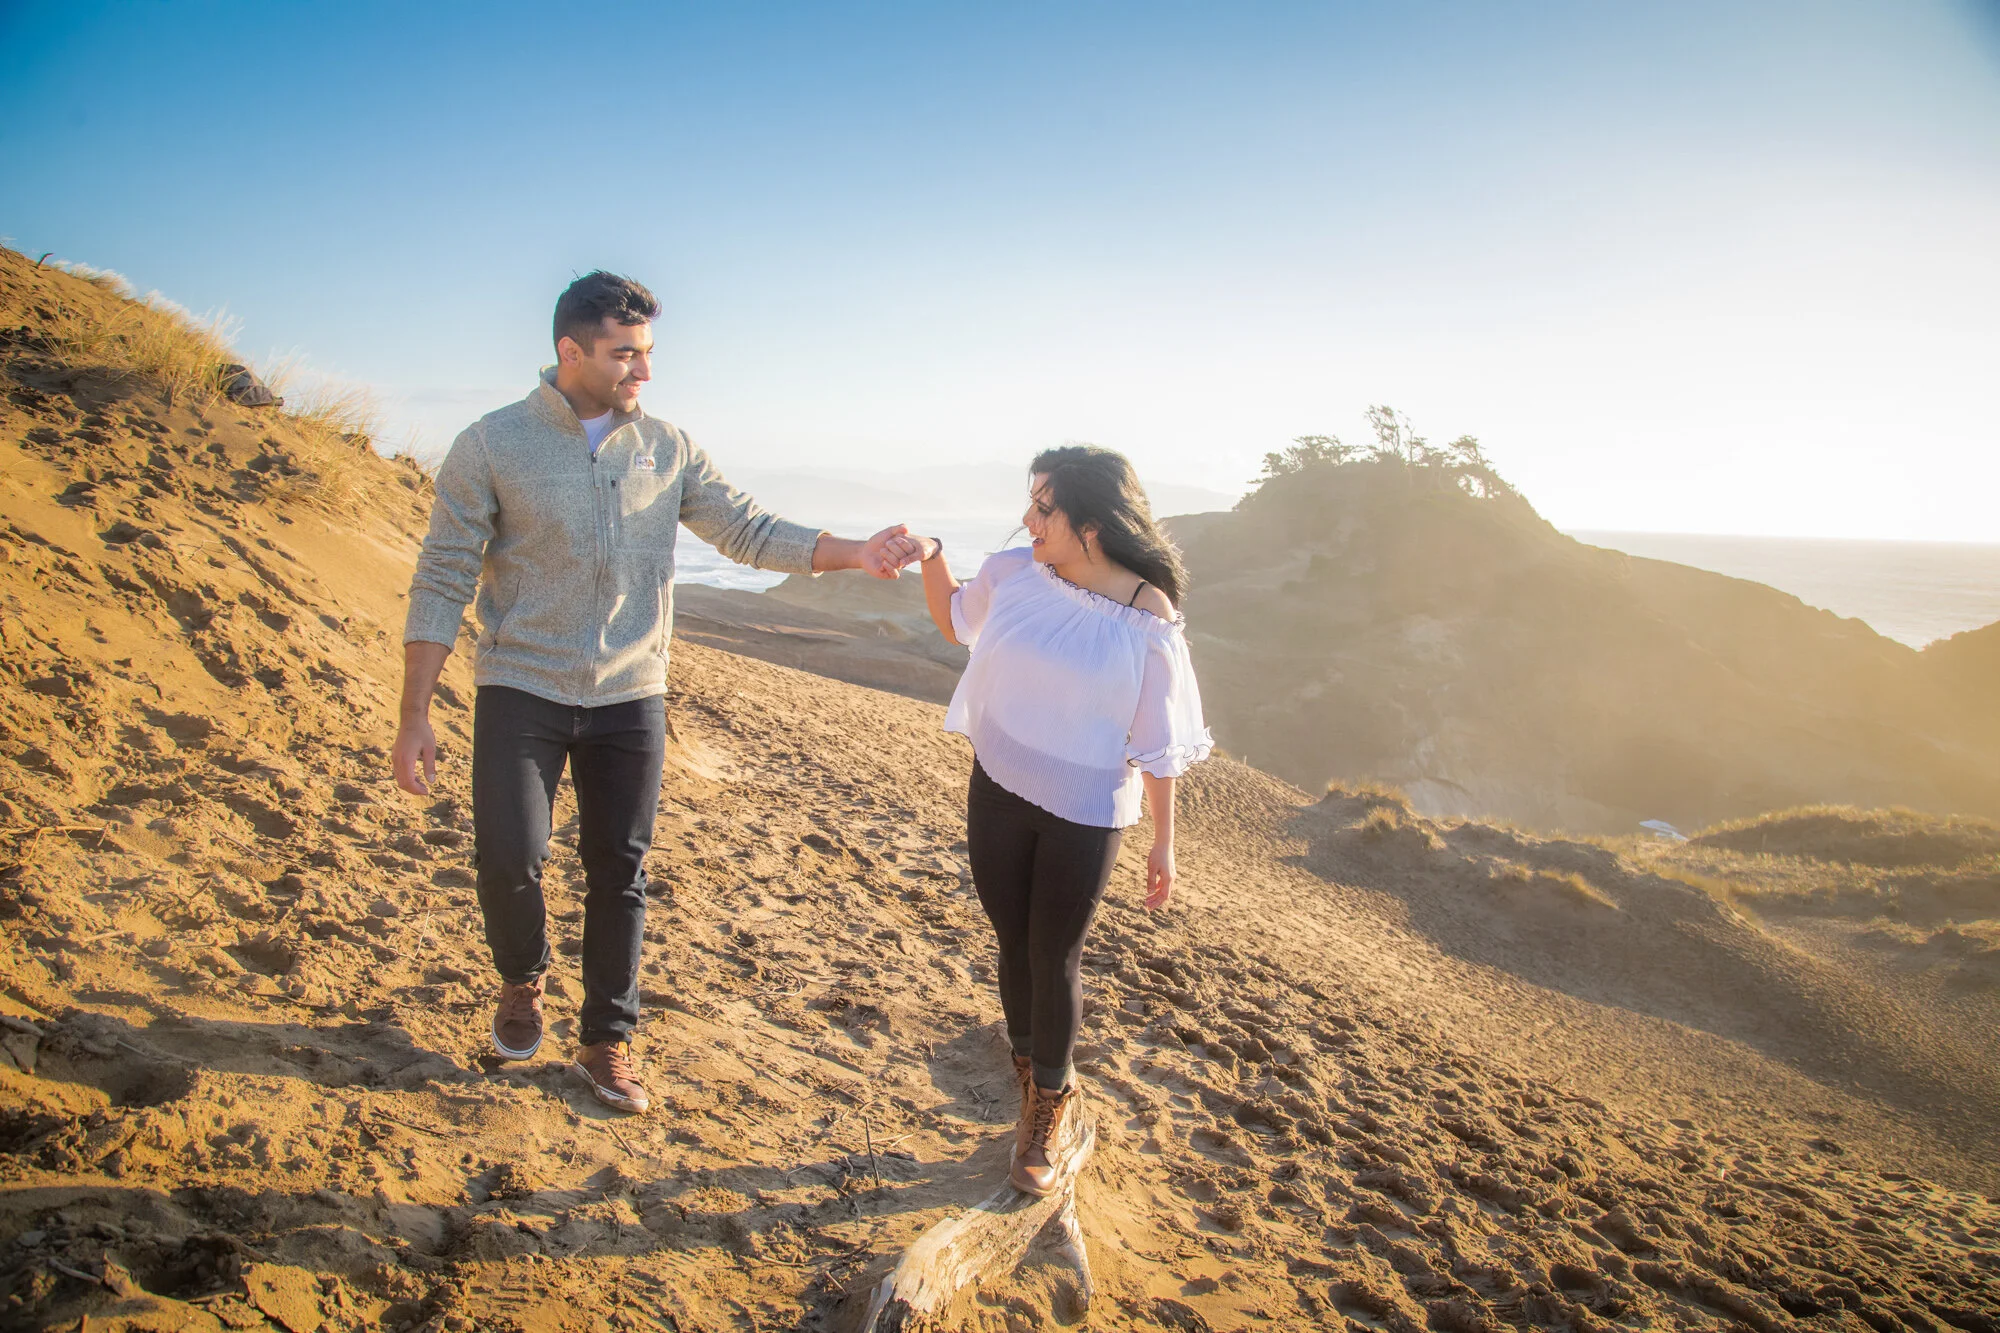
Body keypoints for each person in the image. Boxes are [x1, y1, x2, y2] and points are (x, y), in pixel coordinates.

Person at [391, 271, 910, 1115]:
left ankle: (606, 1040)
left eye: (649, 354)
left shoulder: (667, 447)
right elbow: (442, 572)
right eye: (625, 355)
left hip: (631, 693)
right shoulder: (490, 445)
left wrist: (857, 550)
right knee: (508, 857)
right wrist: (415, 711)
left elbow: (745, 528)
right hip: (521, 683)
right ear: (571, 352)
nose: (644, 372)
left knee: (618, 872)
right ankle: (523, 981)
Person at [904, 445, 1212, 1195]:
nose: (1027, 518)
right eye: (1030, 501)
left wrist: (1164, 841)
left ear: (1093, 526)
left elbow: (1159, 739)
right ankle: (1026, 1066)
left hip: (1086, 810)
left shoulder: (1148, 615)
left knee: (1056, 955)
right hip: (999, 784)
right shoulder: (1014, 575)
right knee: (1011, 941)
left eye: (1045, 506)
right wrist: (933, 554)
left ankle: (1049, 1100)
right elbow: (953, 619)